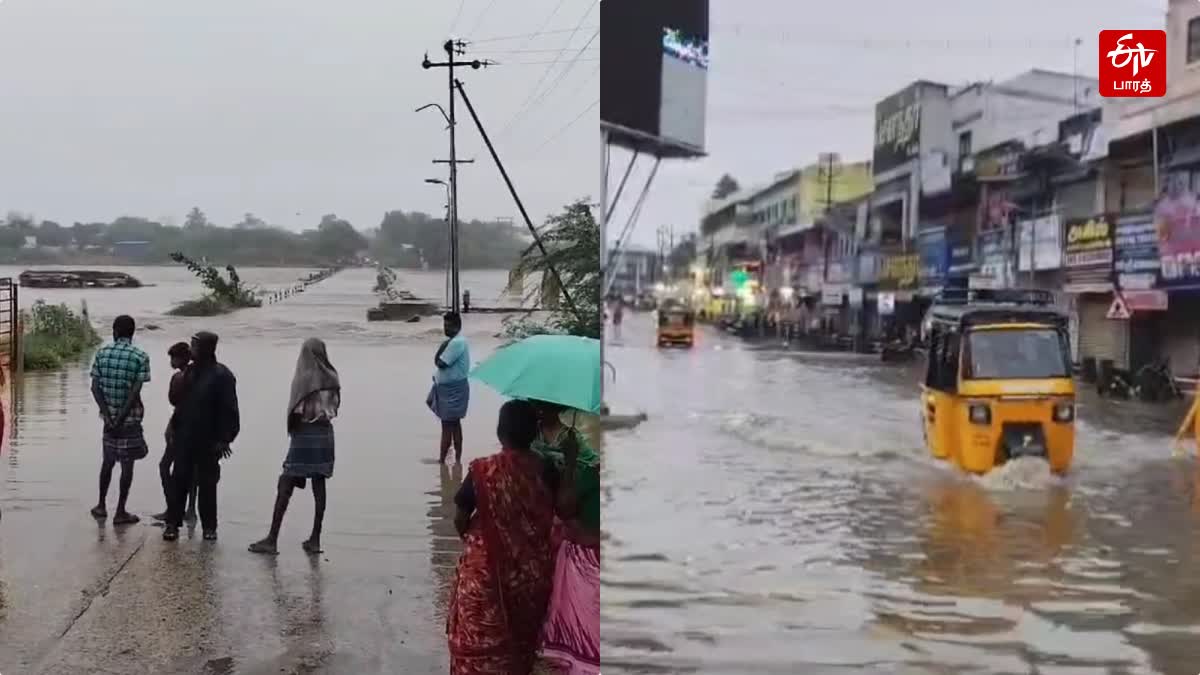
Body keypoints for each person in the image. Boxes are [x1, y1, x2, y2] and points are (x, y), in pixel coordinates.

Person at [447, 400, 558, 675]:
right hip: (530, 579)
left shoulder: (483, 471)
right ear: (534, 433)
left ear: (500, 433)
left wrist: (476, 544)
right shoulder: (547, 470)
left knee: (474, 648)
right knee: (518, 650)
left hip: (484, 575)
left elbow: (460, 517)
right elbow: (562, 511)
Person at [249, 338, 340, 555]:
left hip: (305, 434)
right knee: (319, 484)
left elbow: (296, 411)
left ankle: (272, 538)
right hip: (326, 434)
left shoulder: (305, 378)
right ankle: (315, 538)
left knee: (286, 482)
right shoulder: (333, 377)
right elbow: (336, 408)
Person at [531, 400, 600, 675]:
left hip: (570, 535)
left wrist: (570, 464)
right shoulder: (532, 436)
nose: (537, 410)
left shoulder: (577, 447)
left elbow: (567, 505)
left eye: (541, 406)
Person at [163, 331, 240, 542]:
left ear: (206, 349)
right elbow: (180, 405)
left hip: (209, 440)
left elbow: (230, 410)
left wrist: (225, 439)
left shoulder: (222, 375)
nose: (191, 350)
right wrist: (173, 428)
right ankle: (172, 523)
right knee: (180, 480)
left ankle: (209, 527)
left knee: (208, 484)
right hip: (185, 436)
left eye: (195, 346)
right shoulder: (188, 373)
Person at [89, 315, 151, 525]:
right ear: (132, 333)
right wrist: (121, 417)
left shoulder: (102, 353)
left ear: (114, 331)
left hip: (108, 422)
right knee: (127, 465)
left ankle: (101, 505)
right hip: (129, 421)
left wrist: (108, 415)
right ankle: (121, 511)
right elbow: (135, 392)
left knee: (107, 461)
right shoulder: (140, 356)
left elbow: (95, 388)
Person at [152, 342, 197, 523]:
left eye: (173, 357)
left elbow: (175, 402)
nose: (171, 361)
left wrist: (171, 426)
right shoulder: (198, 375)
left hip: (181, 428)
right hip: (194, 428)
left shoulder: (179, 377)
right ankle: (189, 509)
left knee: (166, 467)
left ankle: (173, 508)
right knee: (191, 471)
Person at [427, 311, 470, 464]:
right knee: (455, 424)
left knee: (447, 426)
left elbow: (440, 362)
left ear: (457, 326)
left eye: (448, 326)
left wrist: (444, 344)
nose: (445, 329)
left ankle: (442, 460)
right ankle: (456, 459)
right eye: (444, 325)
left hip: (452, 390)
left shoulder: (456, 342)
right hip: (452, 388)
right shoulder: (458, 341)